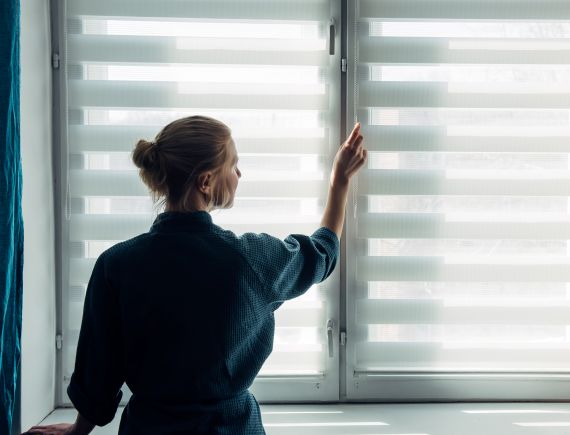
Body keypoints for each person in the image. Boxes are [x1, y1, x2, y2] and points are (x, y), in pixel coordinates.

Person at [23, 116, 367, 435]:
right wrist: (339, 180)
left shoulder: (115, 265)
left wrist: (77, 431)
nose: (239, 174)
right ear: (206, 181)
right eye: (233, 165)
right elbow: (323, 252)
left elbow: (97, 374)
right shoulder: (252, 260)